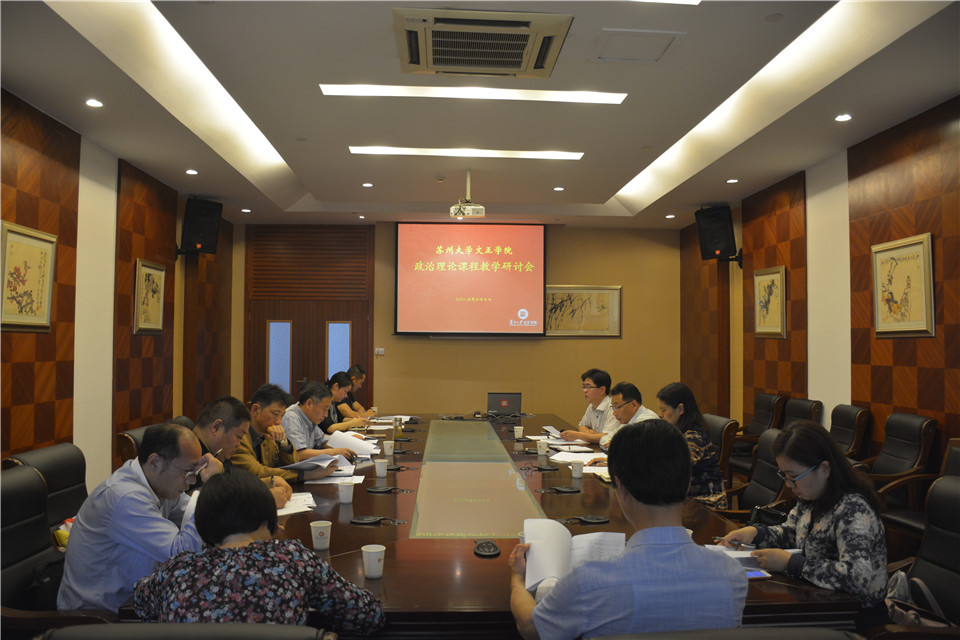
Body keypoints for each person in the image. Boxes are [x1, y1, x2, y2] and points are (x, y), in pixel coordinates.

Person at [508, 420, 747, 640]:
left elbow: (530, 627)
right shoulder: (731, 575)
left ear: (620, 489)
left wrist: (517, 578)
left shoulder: (590, 582)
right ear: (688, 485)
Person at [133, 469, 386, 633]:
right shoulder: (292, 558)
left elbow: (141, 604)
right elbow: (368, 614)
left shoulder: (176, 570)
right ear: (268, 517)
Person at [720, 421, 888, 632]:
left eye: (793, 477)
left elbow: (857, 578)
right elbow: (792, 532)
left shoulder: (853, 509)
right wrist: (755, 533)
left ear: (825, 469)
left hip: (853, 617)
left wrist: (792, 563)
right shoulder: (811, 496)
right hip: (815, 601)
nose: (788, 485)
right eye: (784, 476)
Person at [58, 423, 223, 611]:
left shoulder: (159, 484)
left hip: (137, 600)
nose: (192, 481)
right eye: (187, 472)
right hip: (100, 616)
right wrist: (212, 487)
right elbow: (183, 554)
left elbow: (195, 514)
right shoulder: (125, 498)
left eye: (195, 473)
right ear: (154, 462)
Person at [232, 383, 339, 492]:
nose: (279, 422)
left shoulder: (268, 434)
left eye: (282, 416)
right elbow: (258, 472)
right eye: (275, 414)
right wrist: (308, 474)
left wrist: (284, 442)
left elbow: (292, 463)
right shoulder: (237, 436)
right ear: (255, 410)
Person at [192, 395, 295, 508]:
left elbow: (233, 487)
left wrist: (268, 482)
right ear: (216, 427)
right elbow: (195, 504)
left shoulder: (218, 453)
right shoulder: (188, 455)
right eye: (238, 436)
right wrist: (264, 500)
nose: (238, 444)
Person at [656, 382, 727, 509]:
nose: (660, 414)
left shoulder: (694, 438)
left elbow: (674, 472)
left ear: (680, 409)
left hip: (707, 505)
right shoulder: (679, 431)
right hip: (688, 500)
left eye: (663, 410)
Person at [282, 381, 358, 462]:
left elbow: (322, 441)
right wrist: (334, 452)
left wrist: (349, 442)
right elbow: (299, 454)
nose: (326, 415)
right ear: (309, 404)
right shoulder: (291, 417)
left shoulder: (309, 417)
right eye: (324, 409)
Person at [560, 368, 619, 443]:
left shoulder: (613, 407)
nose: (585, 390)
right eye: (584, 387)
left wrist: (578, 435)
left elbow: (606, 437)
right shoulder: (592, 406)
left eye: (588, 387)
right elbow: (582, 425)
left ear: (602, 390)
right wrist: (588, 433)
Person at [597, 381, 659, 451]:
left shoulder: (649, 421)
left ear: (634, 405)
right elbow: (604, 438)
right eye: (613, 408)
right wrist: (614, 446)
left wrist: (616, 445)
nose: (614, 413)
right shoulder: (627, 422)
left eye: (617, 407)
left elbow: (635, 449)